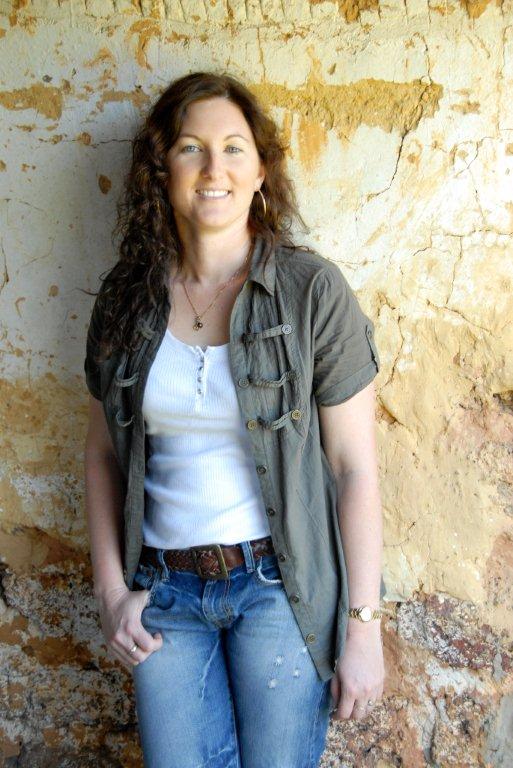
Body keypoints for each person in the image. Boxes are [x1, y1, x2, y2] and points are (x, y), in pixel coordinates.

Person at [83, 71, 386, 768]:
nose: (213, 169)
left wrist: (363, 628)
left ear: (260, 171)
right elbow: (101, 453)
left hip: (280, 591)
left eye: (233, 148)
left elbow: (354, 469)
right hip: (163, 595)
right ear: (162, 169)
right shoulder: (126, 299)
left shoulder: (311, 293)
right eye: (191, 148)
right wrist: (110, 593)